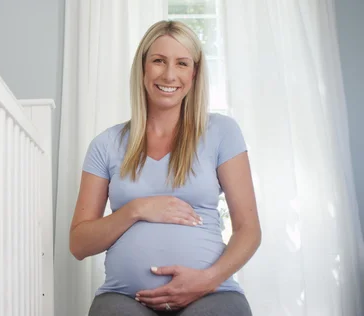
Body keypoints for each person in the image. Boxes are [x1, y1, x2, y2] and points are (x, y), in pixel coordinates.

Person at [69, 20, 261, 316]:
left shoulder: (222, 131)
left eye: (182, 63)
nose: (169, 74)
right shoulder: (106, 144)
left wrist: (206, 280)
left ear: (194, 73)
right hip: (124, 298)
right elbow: (79, 244)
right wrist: (136, 209)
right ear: (143, 67)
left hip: (211, 294)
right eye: (159, 61)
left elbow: (249, 230)